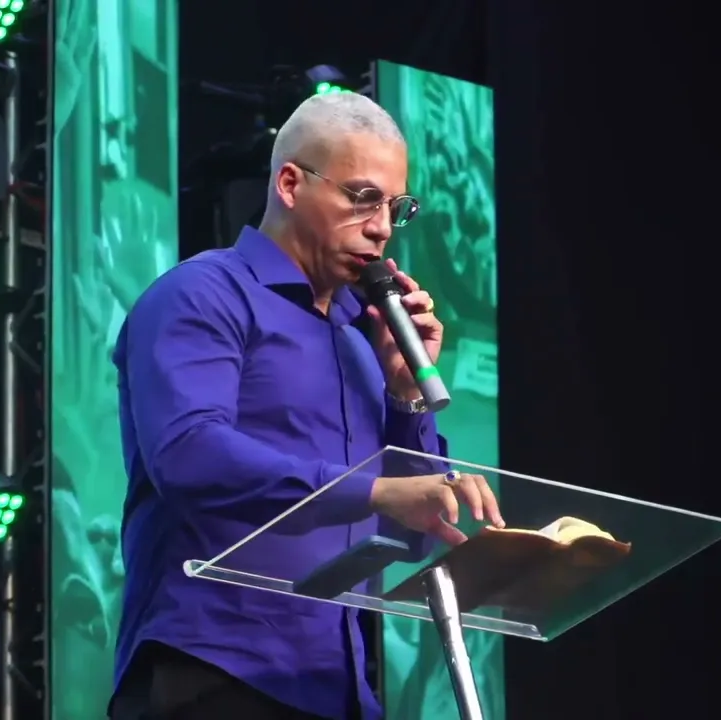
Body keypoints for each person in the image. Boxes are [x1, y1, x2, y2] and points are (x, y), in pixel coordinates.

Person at [108, 92, 505, 720]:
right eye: (362, 198)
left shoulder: (360, 339)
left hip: (338, 686)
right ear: (291, 184)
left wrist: (406, 395)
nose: (381, 227)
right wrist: (377, 492)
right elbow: (188, 454)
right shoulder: (204, 293)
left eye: (395, 207)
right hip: (212, 669)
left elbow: (410, 534)